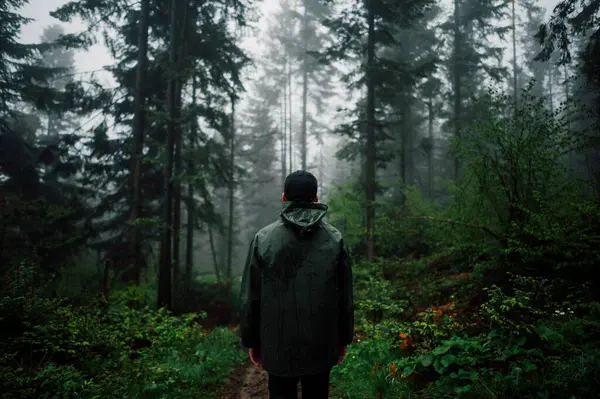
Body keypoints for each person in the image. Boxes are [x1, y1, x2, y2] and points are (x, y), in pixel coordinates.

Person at [239, 170, 354, 399]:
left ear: (284, 198)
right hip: (321, 344)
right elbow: (345, 297)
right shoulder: (335, 239)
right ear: (316, 198)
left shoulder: (263, 239)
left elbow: (251, 296)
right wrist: (343, 339)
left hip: (277, 346)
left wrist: (252, 341)